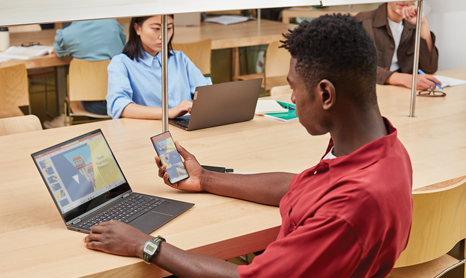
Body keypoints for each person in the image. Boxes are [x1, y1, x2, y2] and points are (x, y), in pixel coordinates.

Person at [84, 14, 413, 277]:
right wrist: (206, 179)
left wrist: (145, 245)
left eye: (293, 88)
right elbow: (302, 186)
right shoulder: (382, 148)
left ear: (325, 95)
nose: (292, 98)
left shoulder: (345, 211)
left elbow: (247, 276)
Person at [106, 16, 212, 120]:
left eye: (169, 28)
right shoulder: (121, 63)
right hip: (150, 132)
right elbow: (118, 106)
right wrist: (169, 113)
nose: (163, 36)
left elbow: (207, 92)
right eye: (156, 29)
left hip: (186, 127)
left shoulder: (180, 58)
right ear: (137, 28)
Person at [45, 19, 126, 128]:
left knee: (74, 81)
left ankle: (65, 116)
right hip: (122, 102)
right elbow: (124, 47)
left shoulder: (68, 33)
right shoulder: (113, 24)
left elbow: (58, 52)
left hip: (92, 106)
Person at [356, 2, 441, 91]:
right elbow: (358, 68)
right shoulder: (363, 21)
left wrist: (423, 23)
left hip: (403, 92)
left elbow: (430, 68)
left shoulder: (414, 22)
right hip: (373, 92)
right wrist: (404, 79)